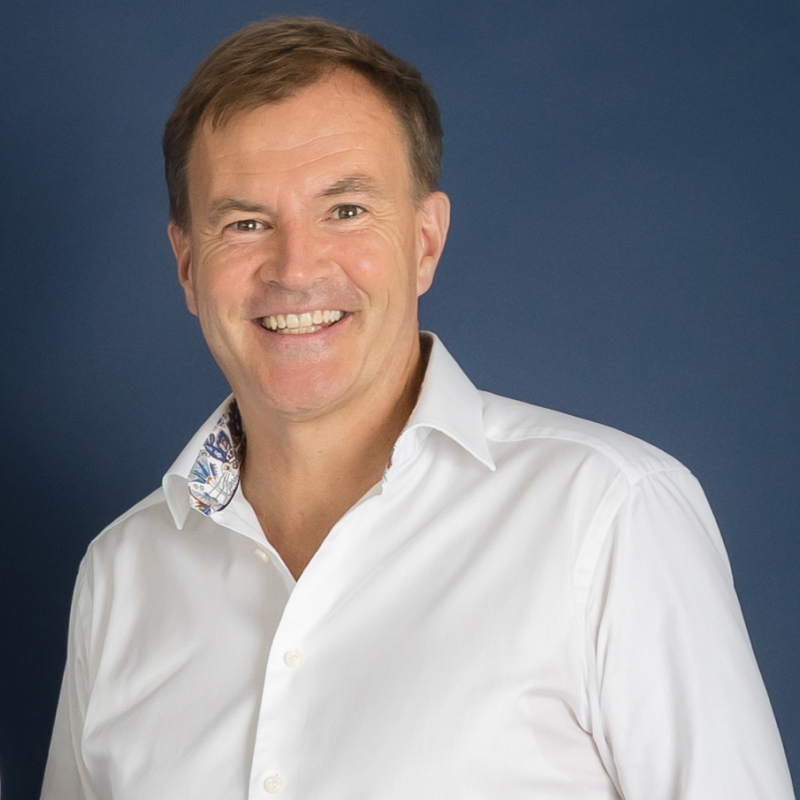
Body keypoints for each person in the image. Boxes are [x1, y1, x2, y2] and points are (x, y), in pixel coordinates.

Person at [41, 17, 794, 800]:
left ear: (426, 242)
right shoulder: (120, 577)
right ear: (188, 266)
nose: (296, 270)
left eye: (346, 210)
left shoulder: (609, 517)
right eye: (246, 223)